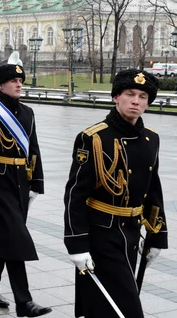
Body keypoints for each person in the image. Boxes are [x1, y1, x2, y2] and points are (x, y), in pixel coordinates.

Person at [63, 69, 167, 318]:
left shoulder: (151, 139)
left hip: (132, 233)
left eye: (143, 96)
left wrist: (156, 236)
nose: (136, 101)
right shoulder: (94, 137)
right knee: (126, 309)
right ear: (115, 97)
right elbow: (75, 195)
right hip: (102, 235)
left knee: (104, 307)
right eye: (129, 94)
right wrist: (76, 244)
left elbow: (153, 190)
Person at [0, 58, 52, 317]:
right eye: (13, 81)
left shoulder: (27, 112)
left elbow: (34, 148)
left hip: (20, 178)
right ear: (0, 85)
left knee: (2, 235)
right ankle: (24, 301)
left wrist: (36, 183)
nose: (18, 85)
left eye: (20, 81)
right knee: (15, 236)